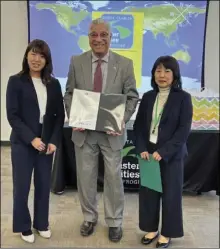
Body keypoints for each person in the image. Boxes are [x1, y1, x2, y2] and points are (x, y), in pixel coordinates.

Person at [64, 18, 139, 242]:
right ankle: (89, 217)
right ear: (88, 37)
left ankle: (115, 221)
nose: (98, 39)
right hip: (84, 133)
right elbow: (69, 94)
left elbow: (132, 97)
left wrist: (121, 121)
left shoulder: (125, 64)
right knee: (86, 178)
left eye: (103, 34)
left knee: (114, 179)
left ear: (110, 37)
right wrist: (73, 116)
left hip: (112, 134)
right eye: (94, 35)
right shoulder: (76, 61)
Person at [6, 39, 65, 243]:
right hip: (23, 141)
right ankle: (24, 226)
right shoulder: (16, 81)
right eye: (33, 53)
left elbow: (59, 116)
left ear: (47, 59)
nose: (36, 58)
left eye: (41, 55)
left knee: (43, 184)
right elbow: (12, 116)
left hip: (47, 141)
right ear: (26, 55)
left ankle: (42, 223)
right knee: (21, 187)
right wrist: (32, 139)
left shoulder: (54, 83)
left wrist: (53, 140)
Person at [133, 56, 193, 248]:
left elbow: (183, 131)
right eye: (158, 71)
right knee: (149, 193)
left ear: (174, 75)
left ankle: (167, 233)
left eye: (167, 71)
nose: (162, 75)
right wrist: (142, 148)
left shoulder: (183, 98)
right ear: (153, 74)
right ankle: (152, 229)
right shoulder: (149, 96)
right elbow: (139, 126)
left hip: (171, 155)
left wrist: (164, 151)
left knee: (171, 195)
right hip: (149, 153)